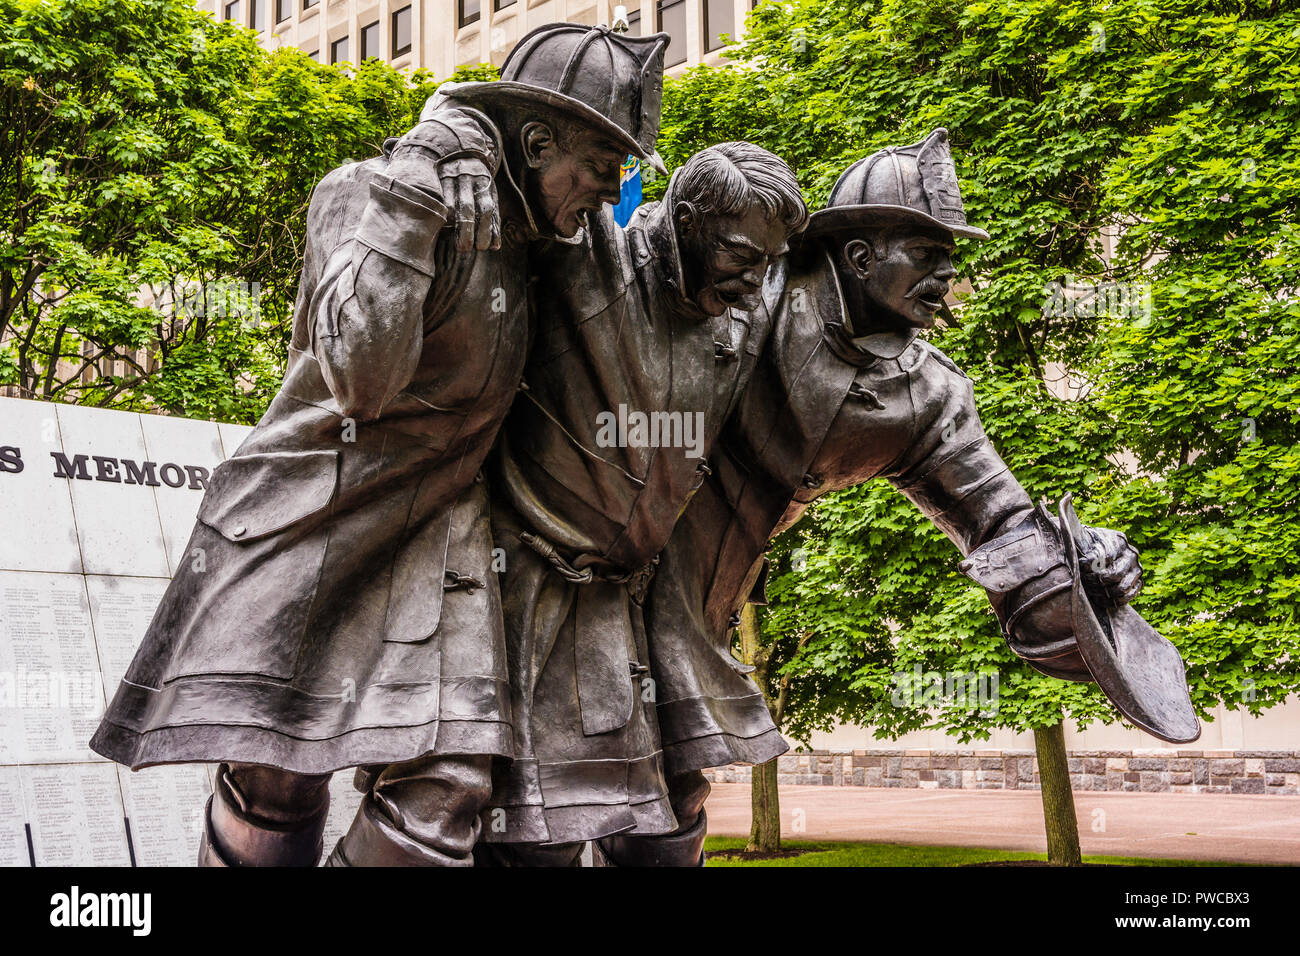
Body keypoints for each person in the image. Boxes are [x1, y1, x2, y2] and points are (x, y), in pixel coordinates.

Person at [89, 23, 672, 868]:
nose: (609, 196)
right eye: (601, 170)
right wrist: (416, 189)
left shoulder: (544, 248)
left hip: (442, 542)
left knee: (450, 787)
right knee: (276, 778)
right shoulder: (370, 190)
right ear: (539, 143)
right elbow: (363, 380)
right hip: (309, 522)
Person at [656, 128, 1200, 801]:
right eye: (925, 254)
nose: (948, 276)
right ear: (857, 256)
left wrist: (1087, 564)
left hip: (702, 588)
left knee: (668, 802)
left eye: (950, 258)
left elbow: (1002, 527)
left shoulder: (929, 394)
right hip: (595, 531)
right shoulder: (756, 279)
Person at [475, 142, 808, 865]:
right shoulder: (583, 255)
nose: (757, 283)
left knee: (668, 816)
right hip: (520, 594)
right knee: (536, 832)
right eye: (743, 257)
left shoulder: (751, 305)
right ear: (686, 220)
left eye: (770, 264)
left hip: (642, 607)